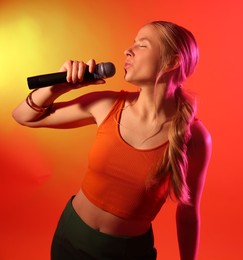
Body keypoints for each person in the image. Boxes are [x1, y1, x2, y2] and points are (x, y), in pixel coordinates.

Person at [12, 20, 212, 260]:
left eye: (142, 45)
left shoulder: (195, 137)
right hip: (69, 239)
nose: (128, 50)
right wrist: (59, 87)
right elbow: (23, 116)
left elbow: (188, 212)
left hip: (127, 254)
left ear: (172, 62)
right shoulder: (107, 104)